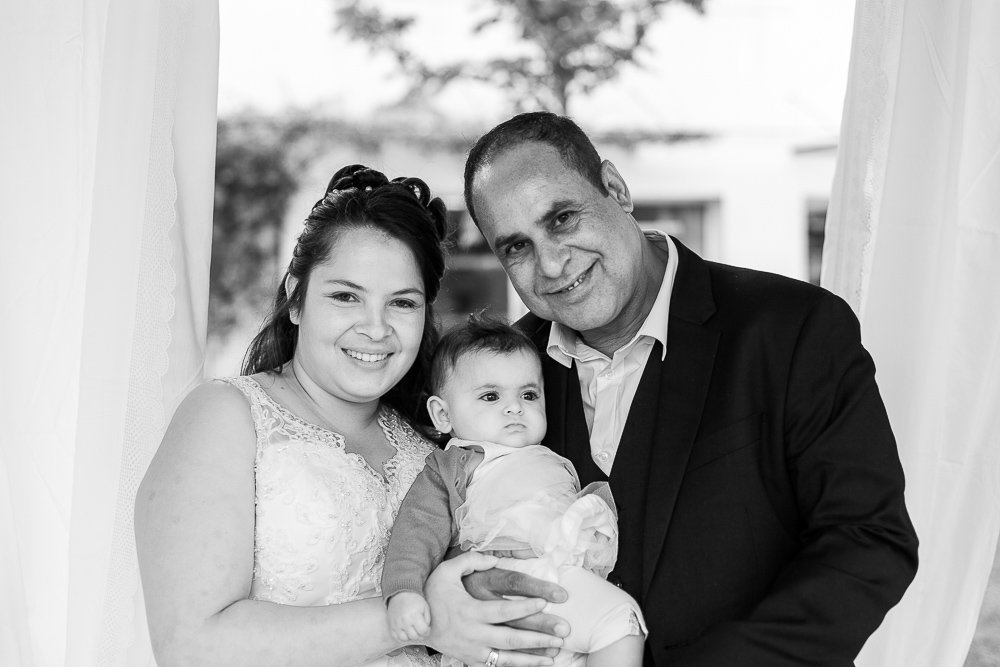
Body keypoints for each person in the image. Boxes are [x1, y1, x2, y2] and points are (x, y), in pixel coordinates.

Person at [459, 112, 920, 666]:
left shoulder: (793, 328)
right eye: (517, 247)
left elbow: (867, 541)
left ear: (615, 189)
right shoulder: (498, 375)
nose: (552, 263)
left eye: (562, 218)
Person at [134, 165, 565, 667]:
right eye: (346, 296)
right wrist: (417, 616)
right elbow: (189, 646)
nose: (375, 328)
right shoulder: (227, 416)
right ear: (296, 297)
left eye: (401, 303)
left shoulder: (437, 443)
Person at [382, 316, 647, 667]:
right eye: (490, 396)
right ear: (443, 415)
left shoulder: (548, 458)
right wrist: (403, 592)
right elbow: (417, 530)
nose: (515, 407)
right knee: (619, 620)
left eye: (528, 395)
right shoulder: (455, 465)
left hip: (557, 570)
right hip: (504, 575)